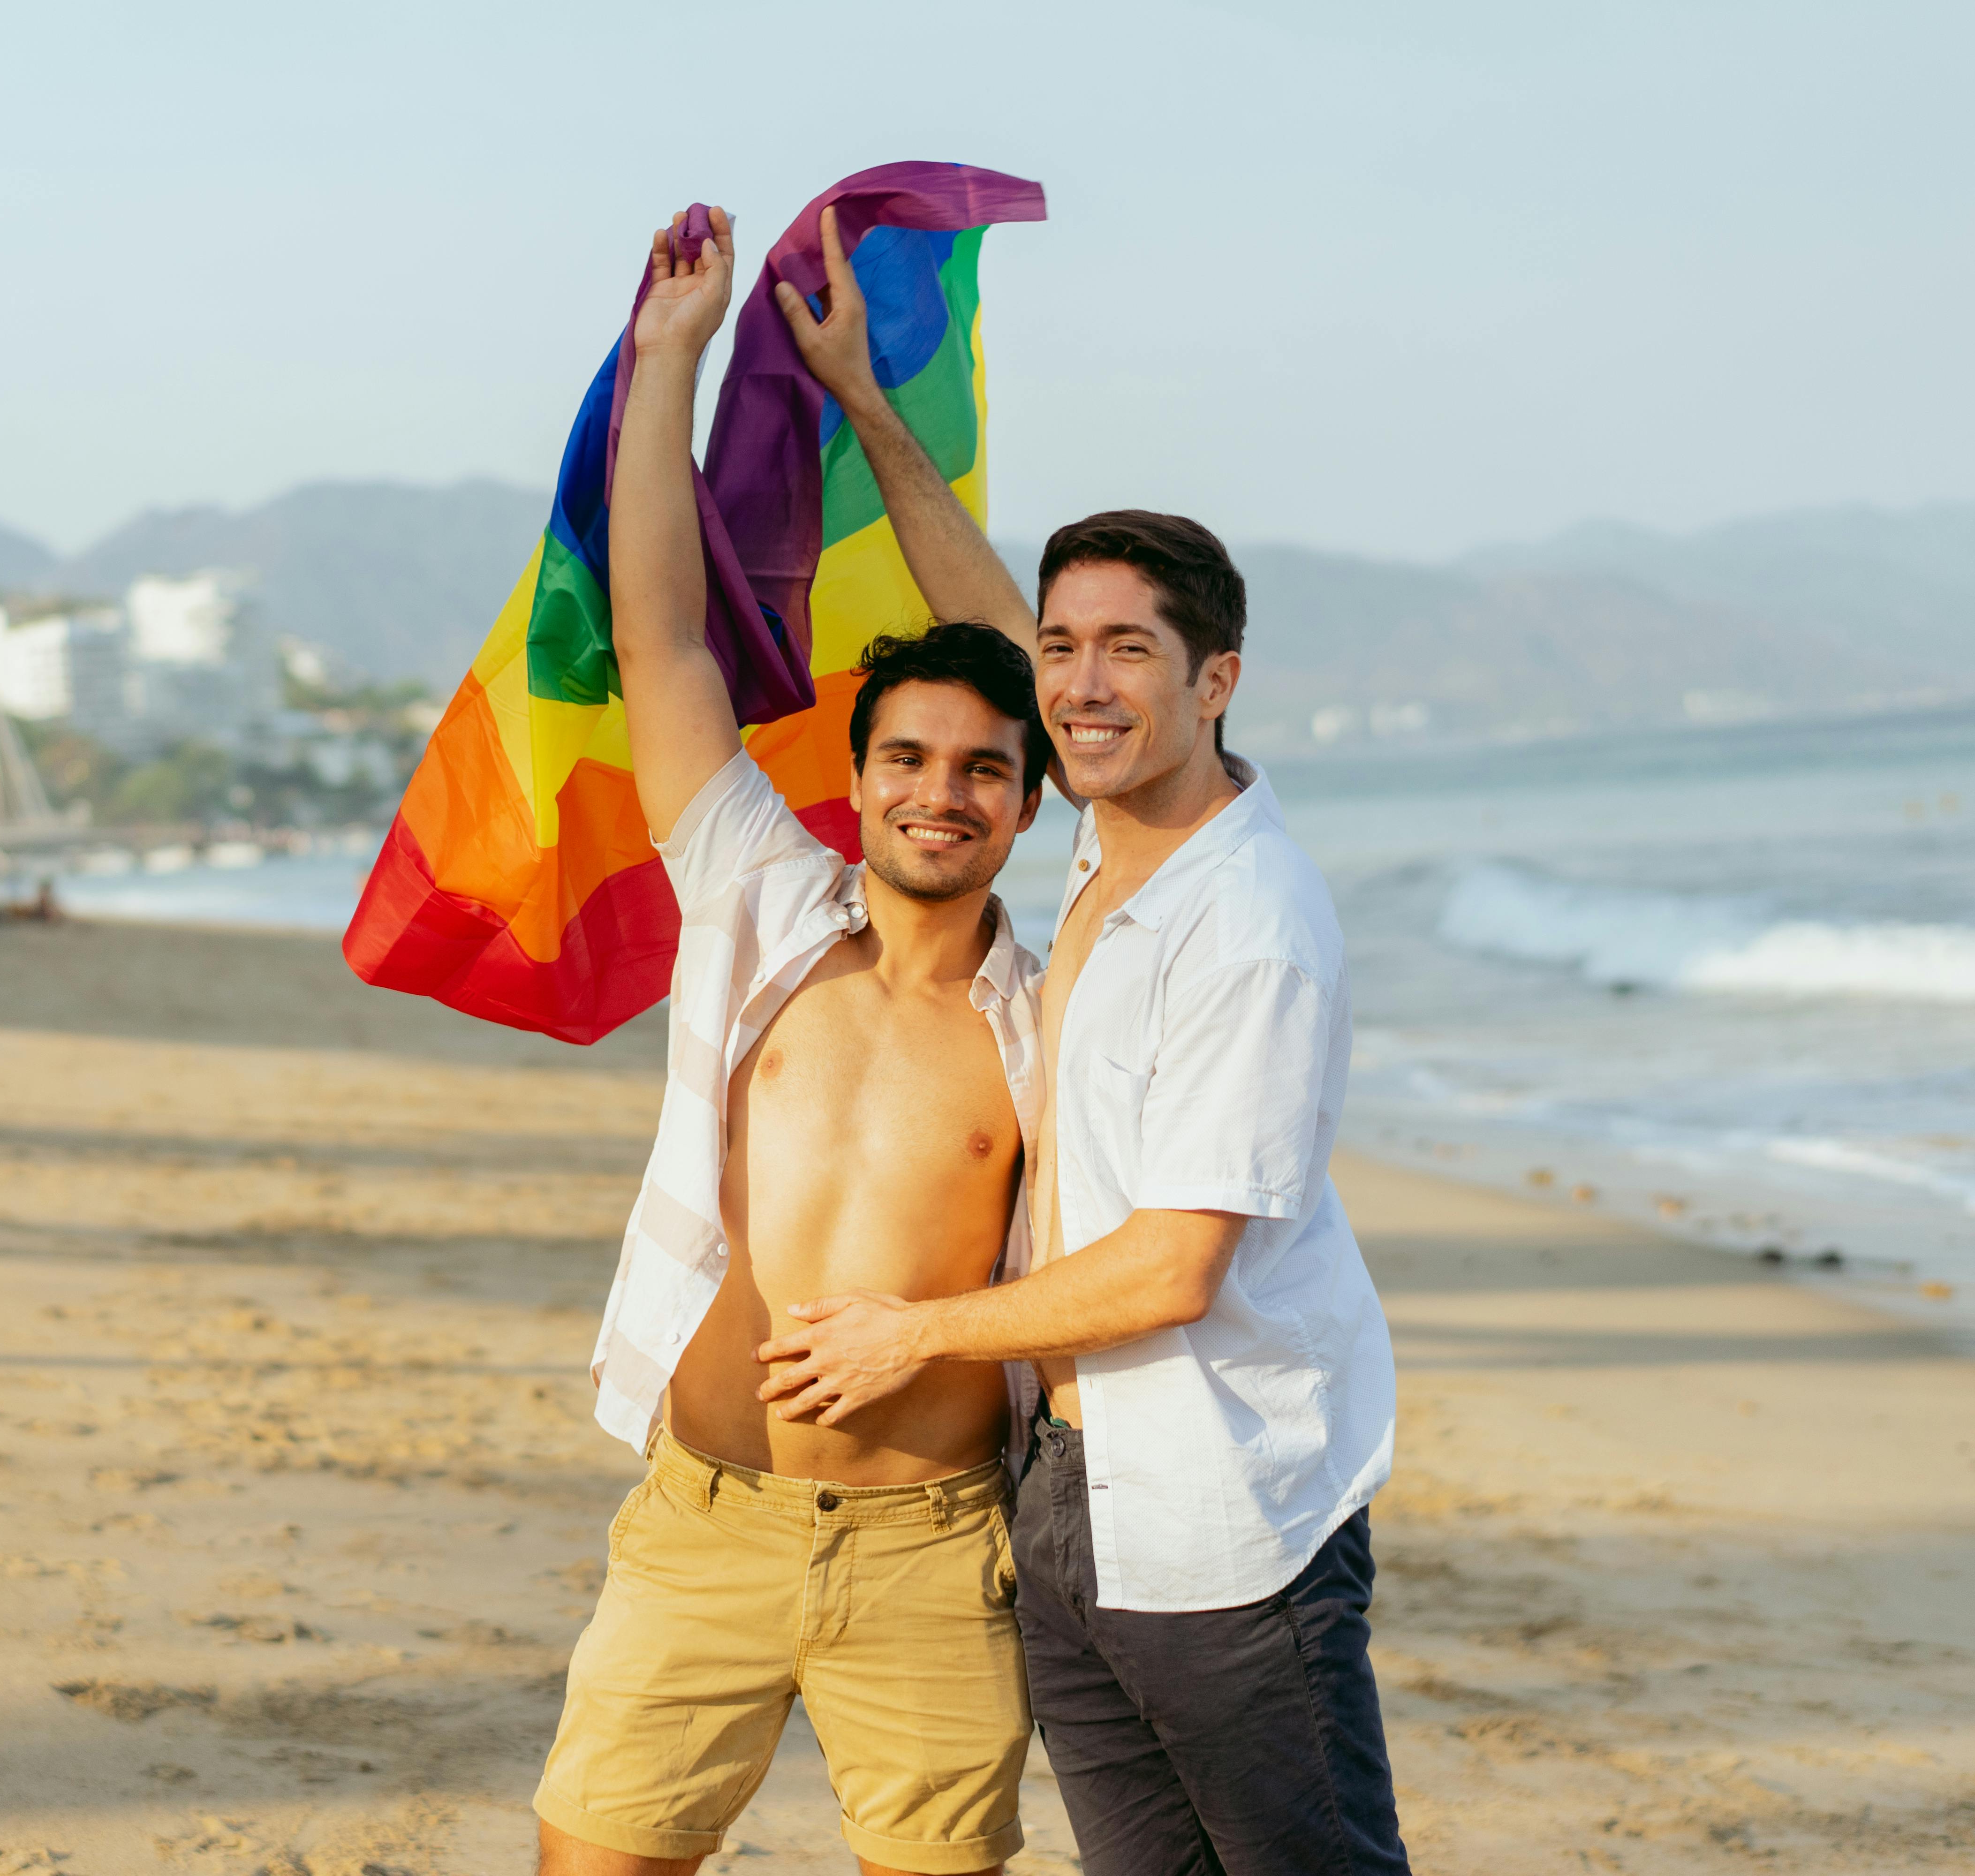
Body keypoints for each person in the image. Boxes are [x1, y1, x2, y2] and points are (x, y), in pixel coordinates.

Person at [756, 212, 1411, 1874]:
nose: (1083, 683)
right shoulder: (1117, 838)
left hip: (1223, 1502)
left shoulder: (1247, 923)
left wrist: (917, 1337)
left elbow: (1174, 1268)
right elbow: (984, 604)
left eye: (1132, 650)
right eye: (1064, 648)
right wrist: (864, 403)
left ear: (1219, 682)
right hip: (1074, 1487)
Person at [533, 207, 1051, 1876]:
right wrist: (668, 360)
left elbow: (1035, 672)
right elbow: (659, 640)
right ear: (859, 769)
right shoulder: (756, 892)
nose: (939, 791)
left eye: (983, 768)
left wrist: (867, 405)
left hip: (930, 1550)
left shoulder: (1062, 1003)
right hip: (702, 1522)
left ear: (1029, 801)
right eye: (907, 757)